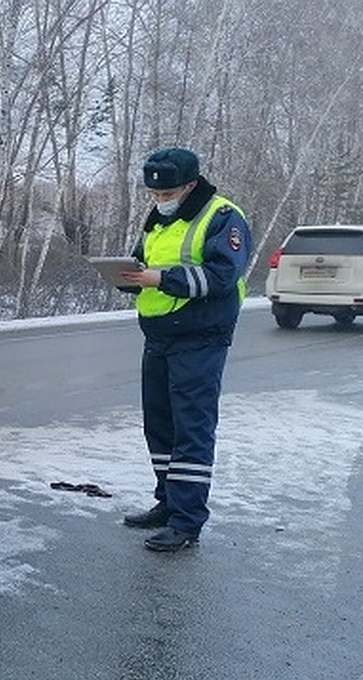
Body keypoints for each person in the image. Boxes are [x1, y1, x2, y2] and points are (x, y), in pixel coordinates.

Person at [119, 146, 251, 552]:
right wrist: (130, 275)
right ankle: (167, 502)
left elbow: (222, 275)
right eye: (155, 195)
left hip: (200, 336)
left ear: (190, 185)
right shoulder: (158, 219)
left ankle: (187, 521)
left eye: (168, 193)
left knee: (191, 429)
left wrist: (161, 279)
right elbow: (146, 263)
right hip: (159, 336)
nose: (160, 201)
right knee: (160, 426)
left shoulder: (223, 216)